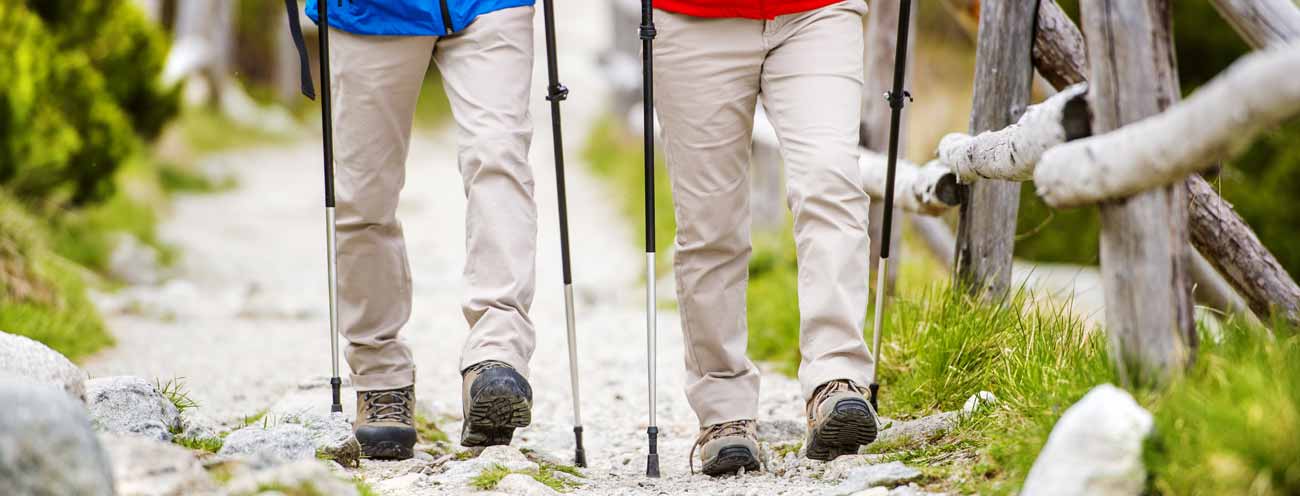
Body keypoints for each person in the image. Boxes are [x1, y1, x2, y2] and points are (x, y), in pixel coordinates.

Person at [650, 0, 879, 475]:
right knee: (709, 223)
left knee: (830, 179)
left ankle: (836, 380)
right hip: (694, 18)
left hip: (818, 12)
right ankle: (723, 412)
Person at [304, 0, 540, 460]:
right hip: (369, 10)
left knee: (499, 158)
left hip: (491, 7)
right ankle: (380, 379)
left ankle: (497, 356)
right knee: (364, 195)